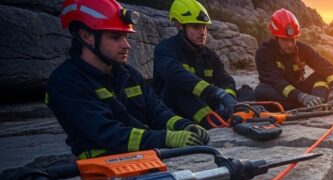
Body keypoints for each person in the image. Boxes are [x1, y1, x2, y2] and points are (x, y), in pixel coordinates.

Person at [48, 0, 208, 160]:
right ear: (86, 36)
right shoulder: (66, 82)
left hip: (145, 156)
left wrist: (183, 125)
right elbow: (107, 133)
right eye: (115, 37)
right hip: (104, 167)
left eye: (125, 36)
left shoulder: (128, 74)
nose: (126, 45)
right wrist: (166, 138)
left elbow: (156, 111)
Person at [153, 0, 238, 128]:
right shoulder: (165, 49)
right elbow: (176, 76)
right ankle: (211, 120)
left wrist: (228, 98)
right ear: (179, 26)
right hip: (172, 110)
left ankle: (227, 114)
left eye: (204, 27)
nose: (202, 32)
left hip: (199, 104)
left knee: (246, 93)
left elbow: (226, 80)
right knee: (178, 87)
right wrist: (216, 93)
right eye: (196, 27)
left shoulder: (209, 55)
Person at [251, 9, 333, 110]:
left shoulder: (302, 49)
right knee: (261, 91)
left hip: (299, 91)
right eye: (285, 40)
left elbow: (327, 67)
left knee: (322, 75)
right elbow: (275, 81)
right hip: (279, 91)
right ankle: (304, 106)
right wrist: (301, 97)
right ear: (276, 37)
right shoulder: (264, 52)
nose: (290, 44)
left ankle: (319, 103)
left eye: (293, 40)